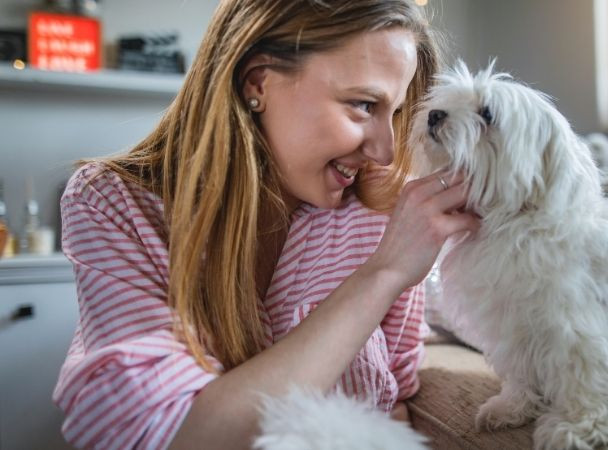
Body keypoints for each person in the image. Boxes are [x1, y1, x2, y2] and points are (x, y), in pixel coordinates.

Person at [52, 0, 479, 448]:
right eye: (362, 104)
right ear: (258, 82)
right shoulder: (114, 205)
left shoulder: (380, 211)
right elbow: (167, 434)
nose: (384, 151)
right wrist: (383, 275)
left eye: (393, 114)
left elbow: (395, 400)